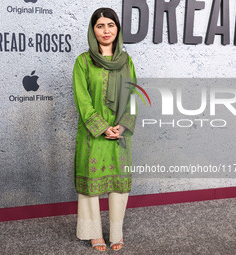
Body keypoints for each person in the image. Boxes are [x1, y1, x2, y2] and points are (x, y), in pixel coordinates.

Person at [72, 7, 137, 252]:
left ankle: (116, 233)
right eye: (100, 26)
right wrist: (101, 127)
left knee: (119, 185)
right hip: (93, 134)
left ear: (117, 29)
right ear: (93, 30)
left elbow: (132, 96)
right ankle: (93, 233)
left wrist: (123, 126)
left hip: (120, 133)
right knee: (90, 186)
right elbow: (82, 99)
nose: (106, 30)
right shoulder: (83, 61)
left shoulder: (126, 60)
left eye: (110, 25)